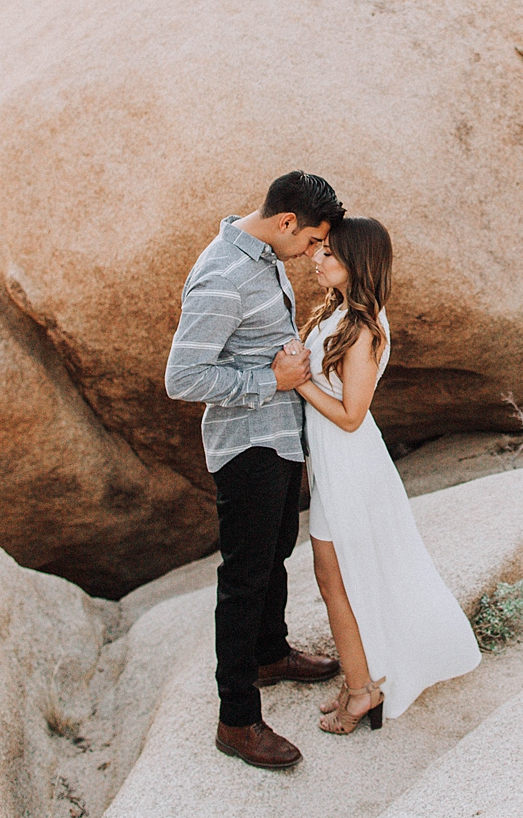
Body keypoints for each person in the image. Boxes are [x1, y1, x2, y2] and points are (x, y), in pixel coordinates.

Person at [165, 171, 346, 771]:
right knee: (244, 577)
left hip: (279, 437)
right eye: (314, 240)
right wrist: (273, 380)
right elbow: (184, 378)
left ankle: (269, 654)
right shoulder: (221, 274)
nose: (315, 253)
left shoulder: (263, 254)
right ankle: (237, 719)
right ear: (287, 222)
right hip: (247, 446)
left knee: (276, 549)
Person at [294, 216, 480, 734]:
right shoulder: (338, 315)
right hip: (334, 463)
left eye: (328, 253)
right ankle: (362, 680)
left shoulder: (366, 328)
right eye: (319, 251)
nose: (316, 258)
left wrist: (299, 382)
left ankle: (362, 693)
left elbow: (352, 414)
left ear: (358, 262)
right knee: (336, 580)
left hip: (352, 465)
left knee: (341, 580)